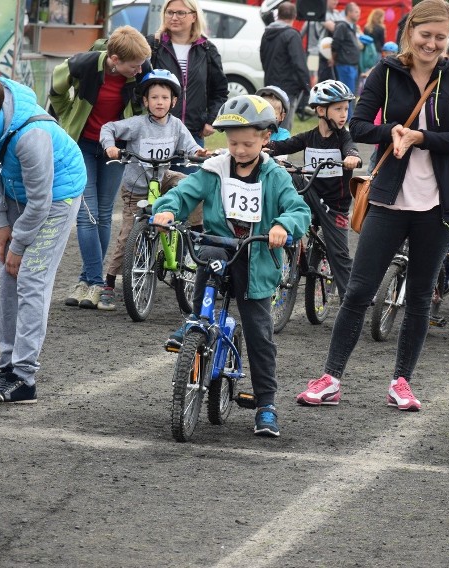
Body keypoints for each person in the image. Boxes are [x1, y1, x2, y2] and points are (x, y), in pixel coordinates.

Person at [295, 0, 449, 411]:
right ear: (410, 31)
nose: (431, 44)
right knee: (359, 291)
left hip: (439, 204)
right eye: (425, 35)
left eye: (440, 37)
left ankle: (402, 382)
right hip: (388, 197)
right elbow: (356, 125)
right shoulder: (387, 71)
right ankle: (331, 377)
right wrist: (390, 130)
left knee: (420, 296)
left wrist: (418, 138)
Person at [153, 95, 310, 437]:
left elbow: (298, 209)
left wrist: (283, 226)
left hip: (256, 259)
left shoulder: (275, 176)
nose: (239, 150)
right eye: (234, 143)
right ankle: (197, 320)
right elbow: (184, 194)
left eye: (248, 143)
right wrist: (167, 209)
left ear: (266, 139)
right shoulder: (214, 171)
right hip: (222, 248)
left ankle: (266, 404)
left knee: (259, 332)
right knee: (207, 258)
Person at [0, 69, 86, 403]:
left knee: (29, 279)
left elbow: (40, 201)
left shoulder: (30, 136)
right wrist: (1, 224)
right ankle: (8, 368)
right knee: (8, 279)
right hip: (16, 192)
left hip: (56, 197)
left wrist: (19, 244)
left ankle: (25, 378)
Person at [50, 25, 152, 310]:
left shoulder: (142, 69)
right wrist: (68, 114)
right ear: (115, 59)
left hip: (115, 149)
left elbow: (146, 107)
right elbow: (55, 90)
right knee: (88, 215)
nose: (140, 68)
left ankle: (84, 281)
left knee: (104, 214)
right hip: (81, 144)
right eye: (135, 64)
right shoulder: (83, 64)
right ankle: (97, 282)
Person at [98, 70, 209, 309]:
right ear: (145, 101)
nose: (160, 102)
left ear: (174, 101)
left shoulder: (176, 126)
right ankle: (108, 283)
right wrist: (110, 147)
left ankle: (197, 233)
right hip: (137, 186)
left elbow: (191, 147)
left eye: (165, 97)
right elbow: (108, 128)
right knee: (128, 234)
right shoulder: (137, 124)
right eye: (154, 97)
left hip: (163, 177)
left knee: (191, 186)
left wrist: (199, 153)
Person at [265, 79, 361, 302]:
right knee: (290, 175)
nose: (343, 114)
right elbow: (282, 146)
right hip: (310, 196)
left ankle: (352, 302)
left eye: (346, 109)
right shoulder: (309, 137)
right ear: (320, 110)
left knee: (339, 254)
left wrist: (352, 157)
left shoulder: (343, 138)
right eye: (338, 109)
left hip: (334, 207)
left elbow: (351, 148)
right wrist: (260, 147)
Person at [148, 0, 229, 167]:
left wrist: (211, 120)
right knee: (154, 189)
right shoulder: (153, 46)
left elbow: (219, 91)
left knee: (189, 190)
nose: (174, 17)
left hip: (193, 134)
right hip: (155, 132)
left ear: (194, 16)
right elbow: (137, 86)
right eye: (169, 12)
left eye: (180, 13)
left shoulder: (207, 49)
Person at [260, 1, 310, 133]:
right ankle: (279, 152)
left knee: (270, 124)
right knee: (284, 127)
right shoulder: (292, 35)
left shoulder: (267, 33)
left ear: (278, 15)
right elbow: (299, 63)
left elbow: (263, 57)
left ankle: (268, 151)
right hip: (288, 87)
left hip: (270, 85)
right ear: (295, 16)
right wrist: (307, 86)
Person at [331, 2, 362, 116]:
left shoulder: (352, 26)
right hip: (345, 64)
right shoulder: (342, 26)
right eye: (356, 12)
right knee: (346, 93)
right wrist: (333, 58)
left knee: (352, 93)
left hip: (353, 65)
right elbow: (335, 44)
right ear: (349, 12)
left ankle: (350, 116)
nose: (359, 14)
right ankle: (346, 117)